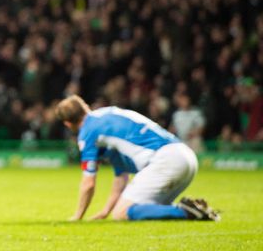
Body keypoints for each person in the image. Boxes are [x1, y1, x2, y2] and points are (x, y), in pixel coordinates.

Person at [56, 95, 220, 221]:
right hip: (186, 155)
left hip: (165, 160)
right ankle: (189, 210)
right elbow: (121, 176)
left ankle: (185, 211)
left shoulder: (87, 132)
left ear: (67, 124)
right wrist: (106, 210)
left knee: (121, 213)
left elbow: (88, 183)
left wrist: (78, 216)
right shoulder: (108, 114)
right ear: (85, 107)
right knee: (147, 208)